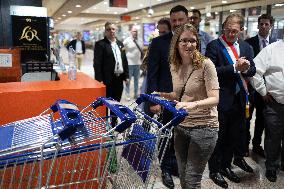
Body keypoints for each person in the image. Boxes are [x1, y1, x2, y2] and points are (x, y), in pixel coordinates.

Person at [156, 23, 219, 189]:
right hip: (181, 127)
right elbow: (179, 95)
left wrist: (192, 105)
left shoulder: (206, 65)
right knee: (183, 176)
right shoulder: (174, 65)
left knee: (192, 180)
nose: (188, 45)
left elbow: (215, 99)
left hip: (204, 128)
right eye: (183, 40)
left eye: (192, 40)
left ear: (197, 42)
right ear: (176, 43)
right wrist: (162, 95)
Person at [206, 14, 256, 188]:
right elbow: (210, 72)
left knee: (233, 136)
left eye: (234, 30)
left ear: (241, 30)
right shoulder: (214, 46)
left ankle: (226, 165)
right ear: (223, 27)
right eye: (228, 29)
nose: (231, 33)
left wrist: (247, 67)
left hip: (240, 99)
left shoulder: (246, 47)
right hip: (220, 99)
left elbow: (253, 70)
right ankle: (214, 170)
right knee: (218, 137)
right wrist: (234, 67)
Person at [147, 5, 189, 189]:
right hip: (165, 98)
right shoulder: (159, 43)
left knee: (182, 134)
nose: (177, 23)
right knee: (166, 134)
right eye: (174, 20)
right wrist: (153, 100)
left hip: (187, 99)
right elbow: (152, 75)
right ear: (170, 21)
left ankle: (176, 165)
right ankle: (165, 168)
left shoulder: (193, 42)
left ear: (187, 20)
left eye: (181, 20)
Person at [250, 34, 284, 182]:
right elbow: (254, 71)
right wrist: (263, 91)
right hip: (275, 102)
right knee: (273, 136)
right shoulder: (271, 50)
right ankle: (271, 167)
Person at [245, 14, 277, 157]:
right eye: (261, 24)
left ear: (271, 26)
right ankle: (244, 145)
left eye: (266, 24)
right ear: (258, 25)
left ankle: (257, 145)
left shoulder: (276, 45)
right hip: (251, 88)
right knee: (246, 118)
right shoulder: (248, 43)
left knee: (262, 119)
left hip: (268, 90)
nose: (264, 26)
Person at [93, 21, 129, 103]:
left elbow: (124, 60)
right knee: (106, 104)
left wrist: (126, 76)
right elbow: (97, 63)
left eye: (113, 29)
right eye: (108, 29)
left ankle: (114, 116)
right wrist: (99, 79)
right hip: (107, 79)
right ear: (105, 32)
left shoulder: (120, 44)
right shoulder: (100, 44)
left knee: (116, 103)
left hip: (119, 79)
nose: (111, 31)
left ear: (116, 30)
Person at [140, 17, 171, 97]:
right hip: (154, 82)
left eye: (164, 32)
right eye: (160, 32)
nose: (161, 35)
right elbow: (148, 66)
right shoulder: (155, 43)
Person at [123, 26, 143, 100]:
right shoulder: (127, 40)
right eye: (134, 31)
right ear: (131, 32)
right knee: (128, 80)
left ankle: (135, 94)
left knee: (136, 81)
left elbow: (141, 50)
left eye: (136, 31)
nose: (135, 33)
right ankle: (127, 95)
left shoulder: (140, 40)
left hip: (137, 63)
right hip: (129, 64)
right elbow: (121, 49)